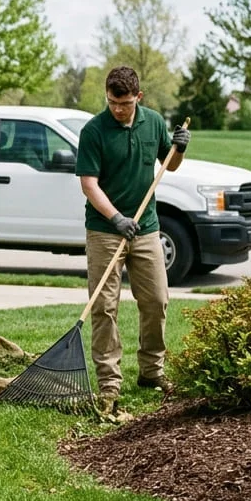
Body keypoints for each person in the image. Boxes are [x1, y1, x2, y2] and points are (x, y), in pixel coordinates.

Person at [75, 66, 191, 417]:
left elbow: (168, 167)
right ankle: (110, 383)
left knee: (156, 300)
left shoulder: (153, 122)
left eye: (124, 103)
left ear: (137, 98)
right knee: (105, 307)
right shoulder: (94, 131)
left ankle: (151, 372)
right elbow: (89, 184)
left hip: (147, 227)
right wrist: (116, 218)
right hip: (105, 230)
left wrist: (179, 150)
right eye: (112, 102)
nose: (118, 110)